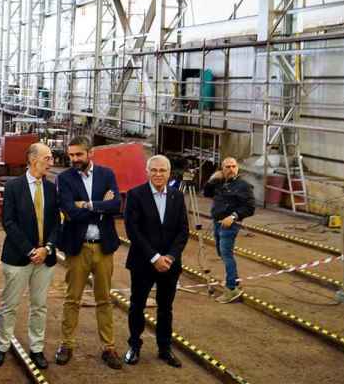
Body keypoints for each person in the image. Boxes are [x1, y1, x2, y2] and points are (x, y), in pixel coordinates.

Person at [54, 136, 122, 369]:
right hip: (77, 247)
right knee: (72, 299)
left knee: (104, 299)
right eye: (71, 155)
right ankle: (66, 344)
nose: (74, 159)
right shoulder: (64, 178)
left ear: (89, 153)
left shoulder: (107, 174)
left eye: (78, 155)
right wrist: (99, 206)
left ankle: (109, 347)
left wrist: (86, 204)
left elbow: (116, 206)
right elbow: (69, 211)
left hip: (103, 248)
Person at [0, 143, 60, 370]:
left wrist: (47, 248)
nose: (51, 163)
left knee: (39, 306)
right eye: (47, 158)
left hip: (45, 259)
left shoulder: (51, 189)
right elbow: (8, 222)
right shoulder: (13, 187)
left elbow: (56, 224)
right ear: (33, 160)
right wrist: (30, 250)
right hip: (19, 258)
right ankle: (1, 347)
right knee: (10, 305)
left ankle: (37, 348)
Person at [123, 155, 188, 368]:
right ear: (147, 171)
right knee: (137, 306)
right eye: (154, 170)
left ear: (169, 173)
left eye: (162, 171)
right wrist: (154, 257)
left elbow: (182, 232)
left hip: (169, 265)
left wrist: (169, 257)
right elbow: (133, 231)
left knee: (165, 308)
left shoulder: (177, 197)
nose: (158, 174)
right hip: (143, 263)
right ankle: (134, 346)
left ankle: (165, 348)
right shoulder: (135, 195)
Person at [203, 156, 256, 304]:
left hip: (229, 224)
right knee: (221, 253)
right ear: (222, 169)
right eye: (227, 167)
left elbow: (250, 207)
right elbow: (206, 193)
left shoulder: (243, 186)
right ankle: (235, 281)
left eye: (233, 166)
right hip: (217, 222)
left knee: (226, 254)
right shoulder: (220, 183)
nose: (231, 169)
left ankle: (231, 288)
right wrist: (212, 179)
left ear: (237, 168)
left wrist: (233, 216)